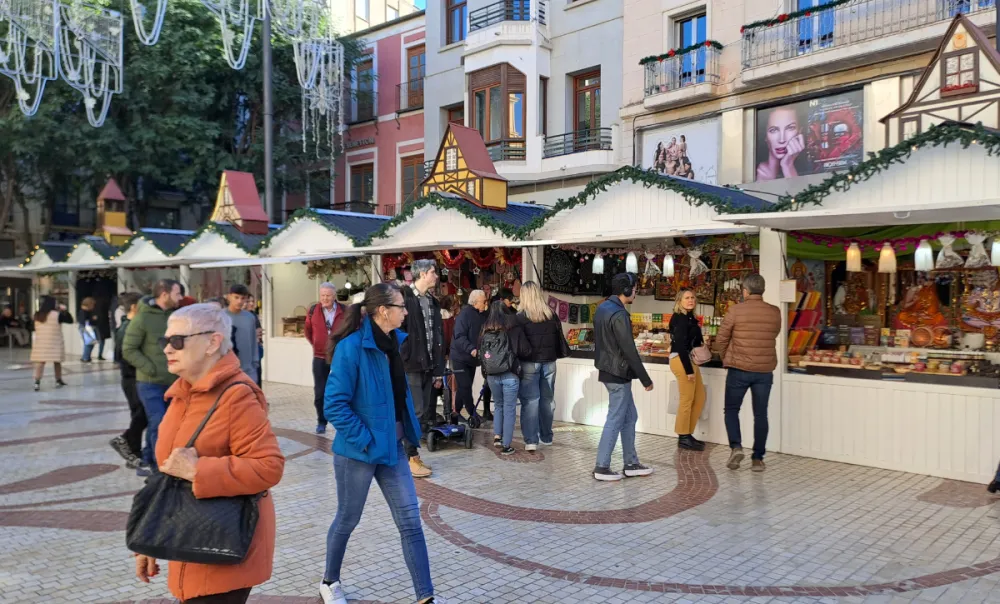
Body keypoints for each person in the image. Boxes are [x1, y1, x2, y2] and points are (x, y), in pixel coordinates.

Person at [134, 303, 285, 604]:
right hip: (188, 540)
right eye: (165, 341)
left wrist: (198, 471)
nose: (167, 349)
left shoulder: (237, 395)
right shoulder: (182, 393)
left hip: (222, 547)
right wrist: (150, 539)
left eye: (177, 341)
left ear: (212, 342)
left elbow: (269, 466)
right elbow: (169, 476)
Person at [320, 283, 439, 604]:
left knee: (411, 523)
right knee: (348, 519)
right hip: (358, 453)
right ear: (383, 310)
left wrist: (410, 437)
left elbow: (397, 400)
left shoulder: (393, 345)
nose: (405, 312)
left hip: (394, 451)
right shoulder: (352, 348)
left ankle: (426, 597)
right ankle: (329, 581)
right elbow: (334, 405)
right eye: (401, 306)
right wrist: (368, 440)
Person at [714, 274, 781, 472]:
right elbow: (774, 334)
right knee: (761, 414)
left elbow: (721, 339)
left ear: (745, 291)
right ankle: (758, 459)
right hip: (764, 370)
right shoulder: (774, 312)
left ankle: (736, 447)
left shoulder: (735, 311)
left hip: (738, 370)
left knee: (732, 410)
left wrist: (727, 357)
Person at [592, 273, 654, 481]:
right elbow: (629, 350)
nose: (636, 291)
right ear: (626, 290)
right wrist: (645, 379)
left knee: (629, 417)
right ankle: (602, 467)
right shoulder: (619, 314)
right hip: (618, 373)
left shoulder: (602, 309)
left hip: (609, 371)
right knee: (616, 418)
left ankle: (631, 463)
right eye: (634, 288)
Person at [123, 279, 182, 476]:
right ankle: (159, 467)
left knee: (164, 423)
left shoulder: (175, 317)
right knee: (159, 421)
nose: (180, 298)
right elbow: (129, 349)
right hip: (149, 383)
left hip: (173, 381)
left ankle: (148, 457)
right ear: (164, 294)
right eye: (177, 294)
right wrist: (149, 367)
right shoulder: (142, 318)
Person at [398, 259, 444, 479]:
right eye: (434, 272)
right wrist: (405, 356)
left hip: (428, 366)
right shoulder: (405, 298)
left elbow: (438, 337)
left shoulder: (432, 302)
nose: (436, 276)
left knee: (423, 412)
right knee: (414, 412)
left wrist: (438, 369)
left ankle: (411, 454)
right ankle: (410, 457)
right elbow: (399, 331)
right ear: (423, 274)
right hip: (411, 366)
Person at [514, 281, 570, 450]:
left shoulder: (520, 317)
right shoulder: (551, 315)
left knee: (530, 401)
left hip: (529, 363)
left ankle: (531, 440)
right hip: (550, 362)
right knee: (547, 400)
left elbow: (518, 344)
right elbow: (557, 338)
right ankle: (546, 436)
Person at [480, 301, 531, 455]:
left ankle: (497, 436)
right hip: (510, 374)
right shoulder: (514, 329)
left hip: (491, 376)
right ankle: (506, 445)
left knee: (499, 405)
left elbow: (481, 353)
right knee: (509, 409)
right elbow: (526, 350)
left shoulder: (484, 330)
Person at [109, 292, 147, 470]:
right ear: (134, 307)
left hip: (134, 377)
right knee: (142, 414)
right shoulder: (127, 328)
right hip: (132, 378)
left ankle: (134, 453)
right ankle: (126, 441)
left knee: (140, 415)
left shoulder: (131, 326)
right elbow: (122, 356)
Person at [668, 287, 707, 452]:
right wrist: (689, 371)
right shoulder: (680, 319)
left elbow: (694, 342)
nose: (691, 300)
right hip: (681, 360)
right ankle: (683, 436)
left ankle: (687, 434)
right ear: (679, 301)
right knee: (687, 399)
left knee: (699, 397)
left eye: (692, 297)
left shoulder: (690, 317)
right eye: (687, 298)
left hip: (689, 360)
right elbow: (680, 346)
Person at [305, 283, 346, 434]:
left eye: (328, 295)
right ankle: (321, 421)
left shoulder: (344, 310)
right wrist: (317, 345)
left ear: (334, 296)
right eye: (322, 295)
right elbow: (308, 332)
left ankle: (343, 420)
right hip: (319, 357)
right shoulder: (312, 311)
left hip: (339, 357)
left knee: (342, 389)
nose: (325, 298)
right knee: (320, 392)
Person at [450, 290, 488, 423]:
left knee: (464, 386)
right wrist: (471, 349)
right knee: (465, 385)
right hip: (460, 356)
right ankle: (472, 413)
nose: (485, 303)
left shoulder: (481, 315)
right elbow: (459, 336)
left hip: (472, 358)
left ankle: (456, 413)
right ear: (476, 302)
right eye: (484, 301)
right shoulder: (465, 314)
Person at [30, 296, 73, 391]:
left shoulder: (37, 315)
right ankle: (58, 380)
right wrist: (64, 310)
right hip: (55, 342)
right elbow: (70, 320)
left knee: (40, 362)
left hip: (41, 342)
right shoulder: (57, 315)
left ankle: (37, 382)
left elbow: (31, 327)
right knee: (57, 361)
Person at [756, 105, 805, 181]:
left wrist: (787, 165)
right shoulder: (754, 173)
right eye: (773, 130)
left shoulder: (810, 170)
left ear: (800, 132)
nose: (782, 140)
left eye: (790, 128)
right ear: (765, 135)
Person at [225, 284, 261, 385]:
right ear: (229, 297)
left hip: (249, 371)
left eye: (243, 298)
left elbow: (253, 341)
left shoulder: (250, 317)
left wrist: (255, 363)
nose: (239, 301)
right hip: (228, 370)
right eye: (236, 297)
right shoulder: (221, 317)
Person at [78, 296, 108, 362]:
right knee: (89, 343)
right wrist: (93, 319)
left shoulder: (85, 311)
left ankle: (86, 357)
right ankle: (85, 357)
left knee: (90, 343)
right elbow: (85, 321)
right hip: (87, 328)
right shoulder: (84, 312)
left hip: (87, 327)